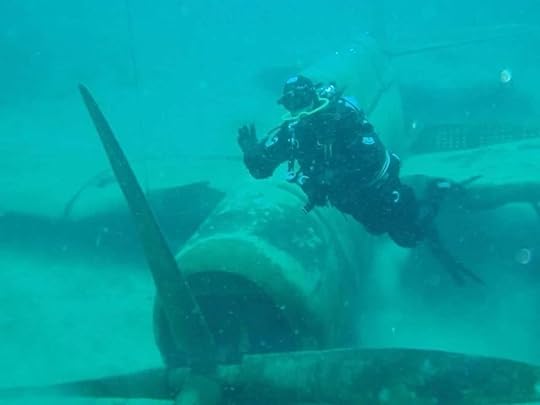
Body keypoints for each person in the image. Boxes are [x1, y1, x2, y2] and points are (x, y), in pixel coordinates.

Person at [237, 75, 482, 283]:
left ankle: (437, 191)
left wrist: (330, 178)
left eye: (301, 99)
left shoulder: (342, 117)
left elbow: (370, 158)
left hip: (379, 190)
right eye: (291, 103)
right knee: (376, 228)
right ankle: (433, 227)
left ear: (312, 95)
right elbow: (261, 169)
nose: (298, 108)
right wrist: (250, 150)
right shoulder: (292, 134)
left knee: (410, 235)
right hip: (350, 201)